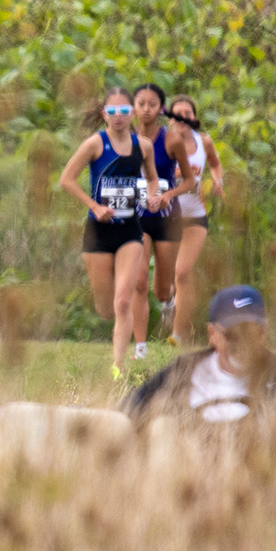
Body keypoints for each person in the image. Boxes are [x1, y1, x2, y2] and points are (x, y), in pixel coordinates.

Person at [59, 89, 165, 378]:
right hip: (98, 232)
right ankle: (115, 337)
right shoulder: (95, 144)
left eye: (124, 111)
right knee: (106, 309)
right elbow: (67, 180)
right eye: (113, 112)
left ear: (132, 113)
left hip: (130, 230)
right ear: (104, 114)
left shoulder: (143, 146)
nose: (119, 117)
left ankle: (118, 367)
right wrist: (94, 206)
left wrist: (152, 197)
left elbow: (152, 179)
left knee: (123, 302)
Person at [124, 284, 276, 425]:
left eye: (254, 333)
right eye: (233, 335)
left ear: (265, 332)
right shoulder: (185, 370)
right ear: (212, 334)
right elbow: (129, 410)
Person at [132, 83, 192, 361]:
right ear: (134, 108)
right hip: (137, 218)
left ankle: (170, 304)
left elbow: (189, 180)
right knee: (139, 282)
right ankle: (140, 348)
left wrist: (168, 194)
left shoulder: (171, 140)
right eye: (141, 103)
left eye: (152, 104)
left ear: (161, 109)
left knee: (161, 289)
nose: (146, 109)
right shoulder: (126, 139)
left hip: (167, 220)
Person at [167, 94, 224, 346]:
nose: (182, 118)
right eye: (177, 114)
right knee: (167, 281)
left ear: (194, 117)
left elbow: (215, 164)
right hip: (166, 218)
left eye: (187, 114)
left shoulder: (204, 141)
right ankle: (170, 305)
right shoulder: (162, 143)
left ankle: (177, 336)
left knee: (182, 273)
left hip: (195, 215)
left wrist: (218, 181)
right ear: (170, 118)